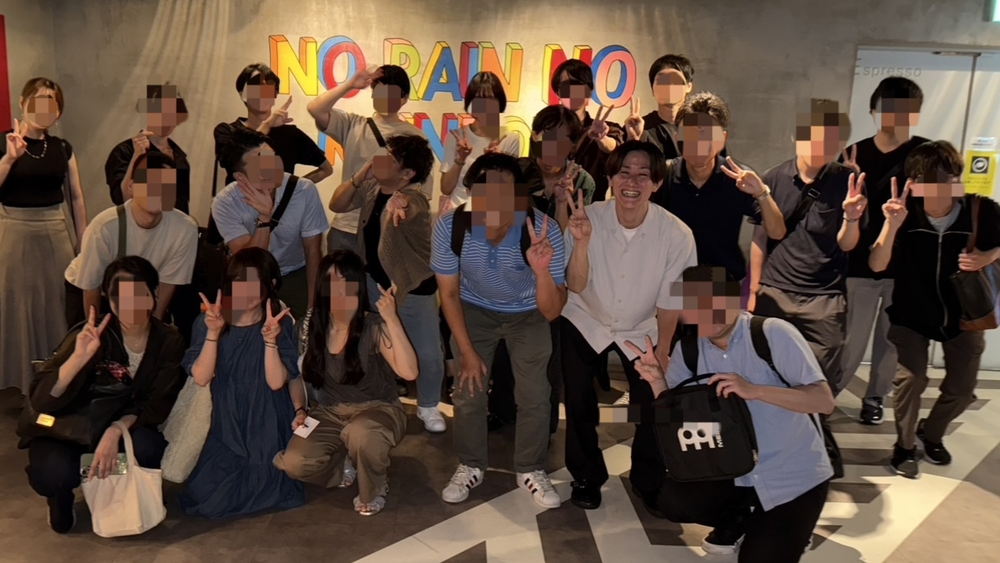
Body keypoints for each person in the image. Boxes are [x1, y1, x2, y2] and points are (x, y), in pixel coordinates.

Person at [638, 265, 835, 562]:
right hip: (732, 471)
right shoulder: (689, 350)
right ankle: (739, 521)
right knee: (672, 499)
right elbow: (676, 420)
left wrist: (754, 390)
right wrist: (656, 382)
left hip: (791, 477)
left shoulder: (772, 333)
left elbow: (823, 401)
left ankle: (786, 529)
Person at [560, 140, 697, 511]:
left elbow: (670, 300)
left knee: (649, 405)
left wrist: (664, 350)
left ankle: (648, 479)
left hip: (642, 327)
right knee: (579, 400)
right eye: (624, 172)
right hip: (586, 317)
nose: (632, 182)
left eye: (643, 175)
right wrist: (581, 243)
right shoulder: (587, 218)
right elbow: (574, 285)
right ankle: (586, 476)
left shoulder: (676, 234)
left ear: (656, 183)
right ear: (610, 178)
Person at [431, 152, 567, 509]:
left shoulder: (543, 230)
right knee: (468, 390)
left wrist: (541, 269)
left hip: (529, 312)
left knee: (535, 393)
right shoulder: (451, 227)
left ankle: (530, 467)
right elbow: (448, 294)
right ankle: (470, 463)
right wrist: (467, 352)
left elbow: (552, 310)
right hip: (474, 309)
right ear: (470, 192)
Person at [19, 257, 186, 534]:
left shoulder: (168, 340)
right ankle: (62, 495)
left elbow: (157, 403)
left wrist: (115, 430)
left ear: (153, 294)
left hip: (121, 429)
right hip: (70, 432)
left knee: (149, 448)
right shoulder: (91, 334)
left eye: (139, 293)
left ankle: (115, 482)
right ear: (110, 298)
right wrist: (77, 359)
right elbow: (41, 401)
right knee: (54, 472)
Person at [869, 140, 1000, 478]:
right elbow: (877, 264)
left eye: (951, 178)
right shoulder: (903, 213)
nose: (946, 187)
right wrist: (891, 225)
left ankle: (932, 433)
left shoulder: (980, 210)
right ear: (915, 183)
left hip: (964, 316)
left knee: (962, 390)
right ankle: (905, 446)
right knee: (911, 379)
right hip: (911, 314)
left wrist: (987, 256)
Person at [274, 250, 418, 516]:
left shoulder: (373, 325)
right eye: (331, 282)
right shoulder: (309, 327)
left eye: (345, 282)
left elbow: (409, 372)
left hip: (379, 409)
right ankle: (342, 464)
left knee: (361, 433)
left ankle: (374, 487)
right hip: (329, 412)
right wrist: (300, 410)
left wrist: (392, 318)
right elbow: (296, 376)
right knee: (294, 463)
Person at [328, 134, 447, 432]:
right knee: (377, 344)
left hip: (412, 286)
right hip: (374, 282)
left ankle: (429, 406)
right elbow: (337, 204)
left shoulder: (414, 198)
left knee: (428, 353)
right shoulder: (371, 189)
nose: (379, 160)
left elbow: (412, 207)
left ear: (407, 174)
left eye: (389, 159)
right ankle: (382, 399)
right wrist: (359, 175)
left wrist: (401, 203)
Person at [749, 99, 868, 394]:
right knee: (766, 372)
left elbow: (847, 244)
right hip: (774, 292)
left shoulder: (848, 182)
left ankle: (812, 423)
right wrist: (753, 290)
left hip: (825, 299)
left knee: (819, 381)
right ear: (796, 135)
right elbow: (760, 238)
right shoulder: (772, 178)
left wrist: (852, 218)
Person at [179, 248, 306, 519]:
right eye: (238, 282)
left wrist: (270, 341)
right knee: (208, 495)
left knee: (266, 479)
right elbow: (201, 377)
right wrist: (213, 333)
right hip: (226, 415)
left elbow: (276, 383)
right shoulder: (210, 320)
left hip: (267, 414)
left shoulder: (279, 322)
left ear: (271, 284)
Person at [840, 77, 929, 425]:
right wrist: (844, 179)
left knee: (891, 340)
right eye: (889, 107)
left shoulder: (925, 154)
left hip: (906, 268)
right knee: (850, 341)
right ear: (873, 111)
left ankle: (875, 397)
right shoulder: (854, 154)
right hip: (859, 265)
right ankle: (828, 394)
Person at [0, 77, 87, 393]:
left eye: (51, 104)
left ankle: (57, 381)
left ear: (58, 112)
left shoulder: (62, 148)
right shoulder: (4, 143)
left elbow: (75, 196)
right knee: (18, 307)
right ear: (23, 103)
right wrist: (10, 158)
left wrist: (83, 240)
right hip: (14, 234)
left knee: (58, 307)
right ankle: (21, 383)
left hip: (55, 233)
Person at [654, 92, 785, 286]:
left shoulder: (738, 177)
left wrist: (761, 193)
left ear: (722, 139)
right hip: (673, 281)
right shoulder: (664, 175)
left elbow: (777, 232)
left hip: (723, 284)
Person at [64, 151, 197, 328]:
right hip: (92, 291)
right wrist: (94, 330)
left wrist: (153, 330)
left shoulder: (185, 229)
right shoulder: (105, 226)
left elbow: (167, 283)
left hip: (139, 293)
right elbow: (91, 285)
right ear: (132, 187)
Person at [308, 64, 429, 253]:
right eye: (379, 92)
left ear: (404, 98)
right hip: (346, 226)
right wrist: (350, 84)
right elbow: (315, 108)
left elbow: (423, 190)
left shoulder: (415, 137)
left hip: (388, 230)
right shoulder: (353, 124)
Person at [212, 127, 327, 322]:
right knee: (243, 327)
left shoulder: (303, 190)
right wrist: (264, 218)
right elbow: (249, 264)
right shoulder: (225, 203)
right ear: (241, 177)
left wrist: (312, 306)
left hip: (296, 272)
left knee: (302, 326)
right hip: (253, 277)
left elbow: (313, 251)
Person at [213, 63, 332, 189]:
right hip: (240, 201)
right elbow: (238, 158)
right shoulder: (227, 131)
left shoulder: (290, 134)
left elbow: (326, 169)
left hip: (276, 203)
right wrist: (268, 124)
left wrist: (291, 190)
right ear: (242, 94)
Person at [439, 71, 521, 213]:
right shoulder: (456, 137)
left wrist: (493, 161)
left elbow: (510, 189)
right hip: (456, 211)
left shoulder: (509, 139)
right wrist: (460, 159)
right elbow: (446, 189)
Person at [106, 84, 192, 214]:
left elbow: (182, 207)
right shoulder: (124, 152)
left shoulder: (180, 158)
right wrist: (137, 156)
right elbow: (122, 199)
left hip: (173, 225)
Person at [626, 54, 728, 161]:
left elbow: (723, 165)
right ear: (652, 90)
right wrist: (632, 141)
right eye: (661, 81)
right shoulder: (638, 128)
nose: (668, 86)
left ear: (688, 86)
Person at [550, 59, 624, 202]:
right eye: (565, 86)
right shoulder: (546, 130)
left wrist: (601, 138)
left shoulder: (606, 128)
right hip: (551, 209)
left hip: (590, 209)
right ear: (558, 93)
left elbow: (615, 148)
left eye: (577, 84)